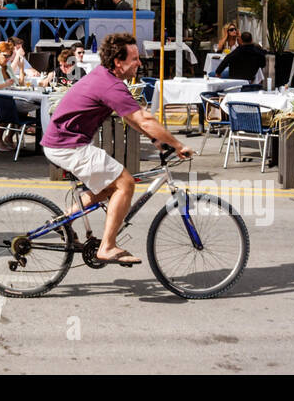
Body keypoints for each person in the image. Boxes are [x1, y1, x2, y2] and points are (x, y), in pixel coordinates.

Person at [42, 33, 191, 264]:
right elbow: (144, 119)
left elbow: (131, 119)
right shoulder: (110, 85)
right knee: (126, 183)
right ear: (117, 63)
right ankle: (107, 247)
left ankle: (63, 220)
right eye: (134, 59)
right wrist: (178, 144)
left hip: (64, 142)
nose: (140, 63)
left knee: (111, 187)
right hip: (68, 145)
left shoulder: (107, 79)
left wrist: (158, 141)